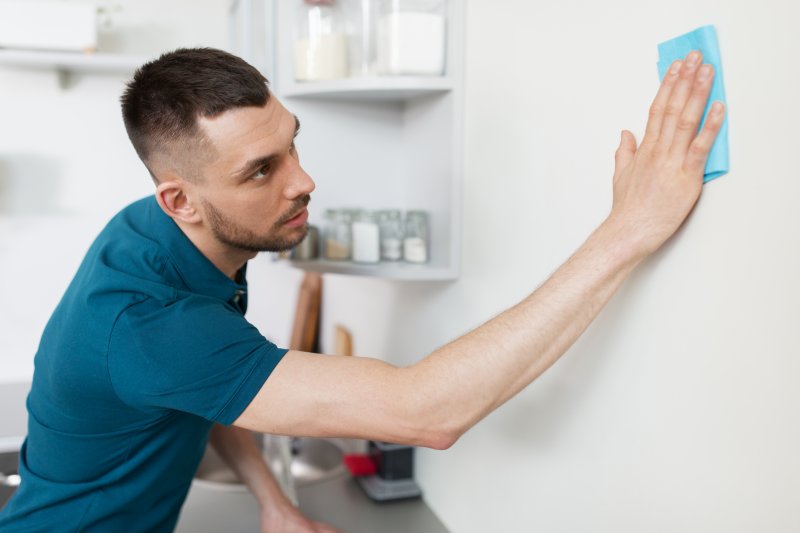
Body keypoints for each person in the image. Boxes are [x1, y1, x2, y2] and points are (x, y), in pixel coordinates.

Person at [0, 46, 724, 532]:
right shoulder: (151, 322)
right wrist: (629, 227)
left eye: (293, 144)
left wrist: (273, 502)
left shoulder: (168, 241)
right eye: (261, 170)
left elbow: (206, 388)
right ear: (178, 199)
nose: (304, 181)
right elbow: (429, 411)